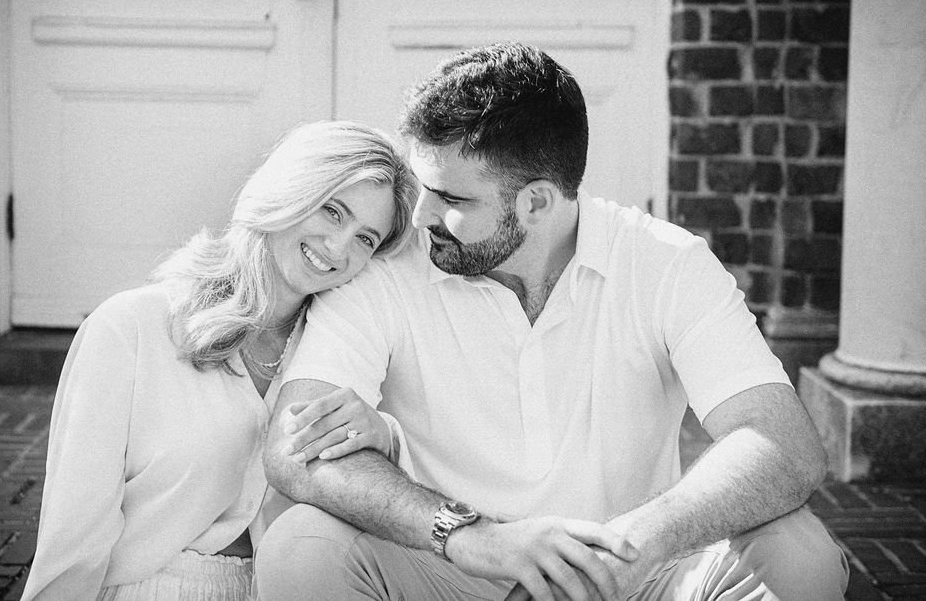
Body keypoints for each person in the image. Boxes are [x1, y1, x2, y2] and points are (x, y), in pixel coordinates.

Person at [256, 43, 850, 600]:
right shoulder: (386, 270)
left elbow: (782, 443)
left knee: (800, 555)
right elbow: (293, 447)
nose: (419, 217)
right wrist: (467, 535)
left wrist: (633, 546)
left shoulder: (666, 263)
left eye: (451, 199)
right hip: (447, 569)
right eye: (424, 188)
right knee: (300, 547)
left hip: (630, 573)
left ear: (536, 202)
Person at [21, 121, 418, 600]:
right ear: (289, 190)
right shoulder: (131, 329)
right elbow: (72, 536)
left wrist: (386, 437)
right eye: (332, 211)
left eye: (365, 239)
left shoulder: (346, 356)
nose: (339, 248)